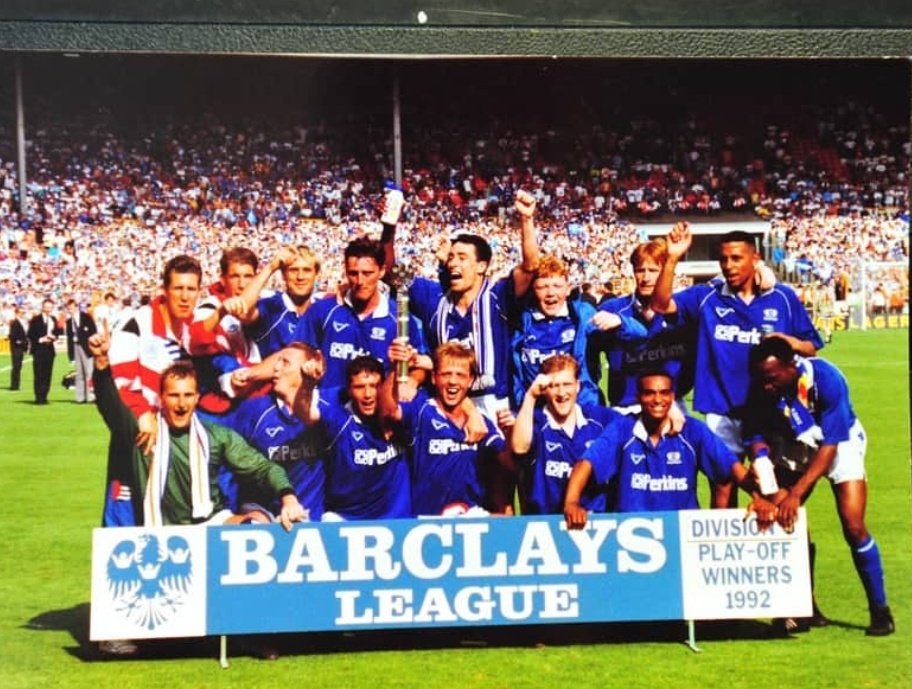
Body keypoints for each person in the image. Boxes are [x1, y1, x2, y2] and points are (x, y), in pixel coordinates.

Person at [89, 331, 307, 658]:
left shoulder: (215, 435)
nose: (181, 403)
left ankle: (250, 632)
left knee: (256, 529)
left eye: (189, 395)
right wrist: (103, 365)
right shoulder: (143, 433)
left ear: (196, 397)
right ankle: (121, 627)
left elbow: (262, 468)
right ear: (162, 398)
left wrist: (288, 496)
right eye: (174, 395)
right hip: (160, 528)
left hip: (209, 523)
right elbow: (109, 404)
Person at [652, 225, 823, 508]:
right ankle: (723, 550)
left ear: (755, 259)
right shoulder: (707, 296)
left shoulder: (782, 297)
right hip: (722, 411)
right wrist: (672, 257)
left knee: (775, 490)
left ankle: (787, 549)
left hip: (773, 412)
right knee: (723, 487)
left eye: (736, 258)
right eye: (724, 259)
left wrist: (786, 341)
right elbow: (660, 305)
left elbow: (811, 346)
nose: (728, 265)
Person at [745, 337, 894, 636]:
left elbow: (830, 446)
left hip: (839, 443)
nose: (766, 386)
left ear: (791, 366)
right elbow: (755, 433)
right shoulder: (762, 386)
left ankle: (881, 611)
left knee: (853, 526)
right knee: (787, 521)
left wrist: (797, 493)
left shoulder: (827, 379)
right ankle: (804, 607)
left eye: (772, 379)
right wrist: (761, 462)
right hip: (794, 444)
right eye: (762, 379)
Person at [563, 369, 773, 526]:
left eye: (664, 393)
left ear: (672, 397)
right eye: (649, 393)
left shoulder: (693, 431)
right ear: (638, 398)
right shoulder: (622, 428)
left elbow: (731, 467)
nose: (657, 400)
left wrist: (759, 498)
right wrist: (571, 502)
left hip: (681, 531)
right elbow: (586, 463)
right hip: (628, 533)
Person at [405, 190, 539, 417]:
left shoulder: (497, 297)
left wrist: (526, 219)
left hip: (493, 405)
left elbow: (530, 266)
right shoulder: (435, 300)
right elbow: (392, 274)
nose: (453, 263)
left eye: (462, 257)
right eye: (451, 257)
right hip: (447, 405)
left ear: (481, 266)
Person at [104, 254, 203, 526]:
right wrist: (142, 413)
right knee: (125, 528)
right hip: (140, 437)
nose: (185, 296)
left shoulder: (196, 329)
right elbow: (118, 380)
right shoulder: (138, 323)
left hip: (178, 442)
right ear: (165, 290)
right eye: (178, 288)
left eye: (191, 289)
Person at [383, 341, 513, 516]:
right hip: (426, 521)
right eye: (446, 374)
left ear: (470, 380)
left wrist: (510, 434)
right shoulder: (422, 411)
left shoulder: (479, 422)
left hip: (471, 519)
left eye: (460, 375)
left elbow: (508, 463)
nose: (453, 381)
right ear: (434, 377)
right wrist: (394, 369)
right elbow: (388, 412)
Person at [295, 236, 429, 394]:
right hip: (329, 411)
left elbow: (419, 366)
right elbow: (297, 351)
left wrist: (412, 381)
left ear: (382, 271)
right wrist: (307, 366)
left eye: (367, 273)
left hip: (376, 412)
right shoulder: (323, 310)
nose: (359, 281)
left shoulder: (399, 319)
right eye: (353, 273)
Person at [511, 254, 646, 409]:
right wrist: (522, 407)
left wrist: (621, 322)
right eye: (542, 287)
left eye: (557, 286)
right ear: (532, 290)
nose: (550, 293)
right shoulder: (521, 322)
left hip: (583, 410)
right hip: (539, 416)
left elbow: (641, 336)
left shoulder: (583, 316)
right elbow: (516, 375)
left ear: (568, 289)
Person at [295, 354, 411, 520]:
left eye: (374, 386)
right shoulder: (338, 418)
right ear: (349, 390)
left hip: (396, 520)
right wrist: (307, 384)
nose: (368, 394)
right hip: (346, 519)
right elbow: (304, 414)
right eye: (359, 387)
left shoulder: (401, 417)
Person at [220, 343, 328, 522]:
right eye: (277, 362)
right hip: (264, 513)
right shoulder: (254, 410)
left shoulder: (328, 407)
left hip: (312, 516)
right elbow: (223, 454)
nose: (276, 368)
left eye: (285, 363)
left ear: (307, 367)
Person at [511, 354, 621, 515]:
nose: (562, 393)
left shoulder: (600, 419)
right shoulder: (535, 420)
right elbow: (519, 448)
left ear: (578, 386)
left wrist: (672, 411)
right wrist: (530, 396)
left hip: (597, 522)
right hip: (547, 523)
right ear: (543, 390)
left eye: (567, 384)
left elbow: (637, 424)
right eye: (554, 386)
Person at [597, 239, 697, 412]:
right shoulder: (613, 309)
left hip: (670, 405)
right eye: (640, 270)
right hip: (626, 406)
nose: (646, 278)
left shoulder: (683, 311)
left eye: (653, 270)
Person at [190, 247, 264, 413]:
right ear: (223, 279)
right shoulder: (211, 306)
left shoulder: (265, 300)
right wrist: (221, 313)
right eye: (235, 276)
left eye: (248, 276)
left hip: (259, 389)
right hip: (224, 397)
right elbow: (195, 339)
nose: (242, 283)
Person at [239, 245, 322, 359]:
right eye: (293, 270)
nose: (300, 277)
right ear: (283, 275)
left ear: (317, 274)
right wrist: (271, 267)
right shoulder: (272, 306)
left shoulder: (323, 310)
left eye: (307, 270)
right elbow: (242, 311)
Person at [27, 298, 62, 405]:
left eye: (50, 307)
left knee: (47, 374)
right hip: (38, 349)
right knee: (38, 374)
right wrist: (41, 339)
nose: (48, 309)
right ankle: (38, 397)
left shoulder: (53, 319)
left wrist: (54, 337)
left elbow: (57, 331)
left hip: (49, 350)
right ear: (42, 307)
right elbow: (30, 334)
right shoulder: (36, 319)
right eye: (46, 307)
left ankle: (45, 396)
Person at [65, 299, 97, 403]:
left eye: (72, 308)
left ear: (76, 307)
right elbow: (69, 339)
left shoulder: (86, 317)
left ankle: (90, 396)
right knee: (79, 373)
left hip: (86, 347)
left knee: (89, 372)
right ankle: (80, 397)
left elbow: (93, 331)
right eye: (69, 308)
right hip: (76, 346)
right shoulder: (69, 322)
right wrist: (71, 356)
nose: (70, 310)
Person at [7, 305, 28, 391]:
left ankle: (16, 384)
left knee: (18, 366)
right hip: (16, 348)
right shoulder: (15, 323)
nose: (23, 314)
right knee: (16, 366)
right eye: (21, 312)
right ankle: (14, 385)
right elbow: (12, 335)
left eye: (23, 312)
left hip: (20, 348)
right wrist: (18, 341)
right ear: (17, 313)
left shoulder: (21, 322)